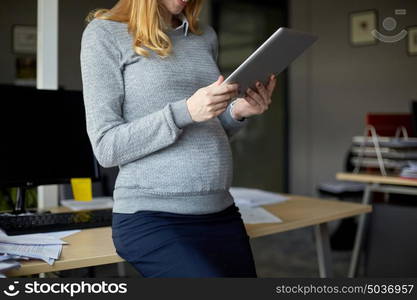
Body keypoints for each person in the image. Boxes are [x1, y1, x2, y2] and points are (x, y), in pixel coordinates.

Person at [80, 0, 277, 278]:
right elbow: (106, 147)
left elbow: (207, 129)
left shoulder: (204, 36)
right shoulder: (104, 34)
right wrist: (185, 111)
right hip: (153, 218)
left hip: (220, 212)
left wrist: (238, 111)